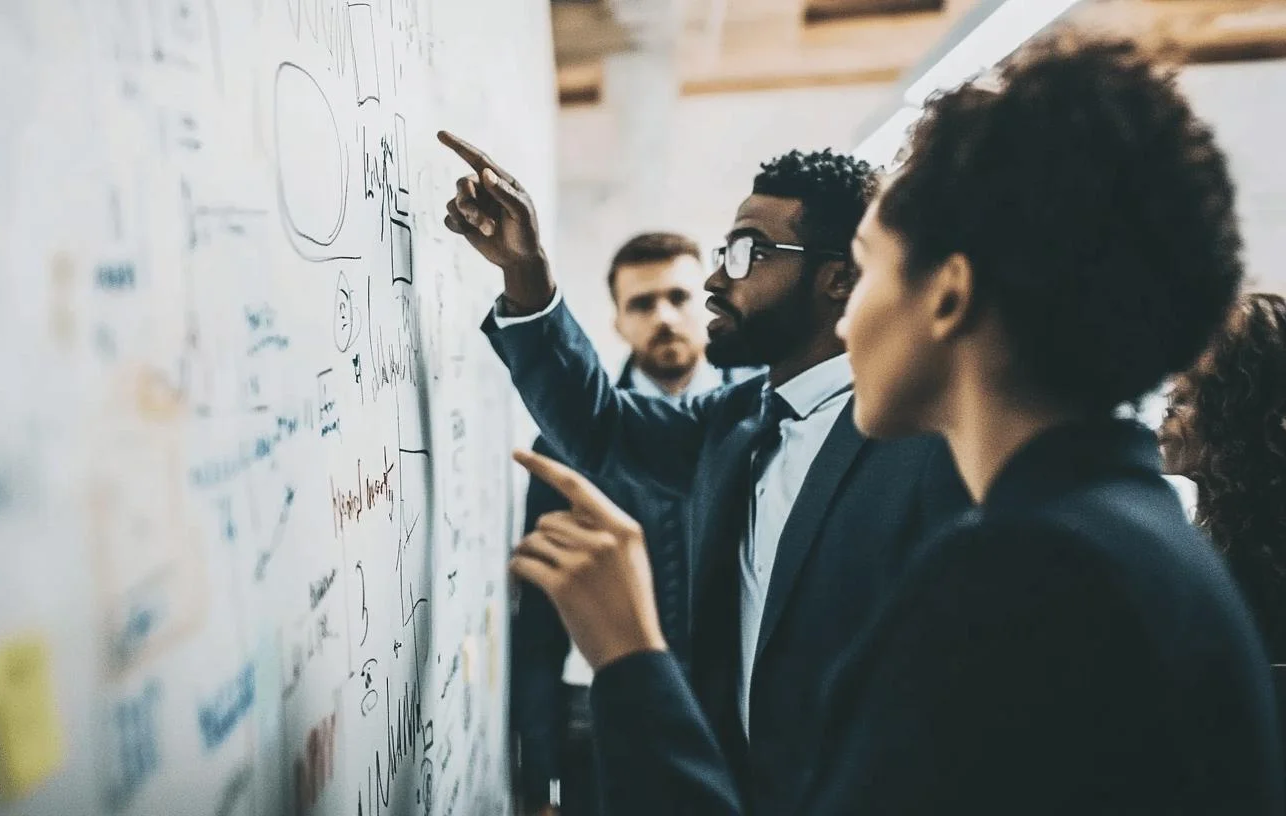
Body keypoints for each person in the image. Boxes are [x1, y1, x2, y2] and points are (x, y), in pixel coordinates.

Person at [505, 34, 1285, 814]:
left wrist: (630, 656)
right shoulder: (1119, 534)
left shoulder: (1028, 575)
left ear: (947, 296)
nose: (848, 322)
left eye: (871, 268)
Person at [438, 134, 965, 814]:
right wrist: (527, 274)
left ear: (838, 277)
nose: (718, 279)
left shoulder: (924, 442)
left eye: (748, 252)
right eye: (724, 253)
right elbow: (600, 425)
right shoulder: (738, 421)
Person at [512, 232, 754, 816]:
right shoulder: (568, 444)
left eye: (679, 296)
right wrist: (539, 776)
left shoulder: (761, 426)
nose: (664, 317)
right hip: (605, 718)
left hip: (747, 723)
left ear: (709, 306)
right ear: (618, 322)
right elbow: (541, 618)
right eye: (642, 304)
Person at [1160, 292, 1286, 661]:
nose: (1167, 413)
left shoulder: (1255, 558)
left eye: (1185, 398)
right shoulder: (1222, 534)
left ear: (1236, 412)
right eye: (1171, 397)